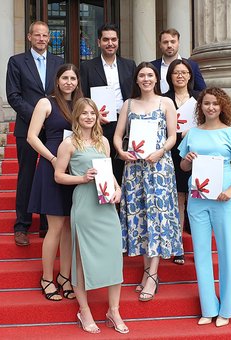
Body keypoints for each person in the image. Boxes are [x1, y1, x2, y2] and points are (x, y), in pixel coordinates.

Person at [54, 98, 128, 335]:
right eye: (84, 113)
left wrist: (117, 189)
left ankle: (113, 311)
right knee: (81, 259)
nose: (88, 117)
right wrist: (81, 178)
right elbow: (58, 176)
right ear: (76, 116)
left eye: (92, 113)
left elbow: (109, 172)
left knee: (114, 256)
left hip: (106, 205)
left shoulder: (103, 141)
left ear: (97, 117)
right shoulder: (68, 143)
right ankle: (84, 310)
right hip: (85, 203)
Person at [178, 87, 231, 327]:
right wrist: (186, 161)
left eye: (215, 104)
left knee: (227, 251)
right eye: (207, 103)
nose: (210, 107)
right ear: (201, 107)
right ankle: (208, 308)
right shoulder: (192, 133)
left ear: (222, 107)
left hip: (224, 199)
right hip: (198, 199)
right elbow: (184, 167)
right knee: (200, 253)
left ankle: (227, 309)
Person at [113, 62, 183, 302]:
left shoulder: (166, 103)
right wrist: (121, 153)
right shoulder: (128, 104)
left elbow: (173, 136)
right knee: (141, 217)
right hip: (134, 169)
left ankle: (152, 275)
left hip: (159, 167)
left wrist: (160, 151)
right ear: (137, 79)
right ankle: (146, 271)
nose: (146, 79)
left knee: (156, 217)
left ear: (156, 79)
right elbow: (117, 135)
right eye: (142, 75)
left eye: (150, 75)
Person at [26, 64, 83, 301]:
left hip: (74, 169)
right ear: (57, 80)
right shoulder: (46, 103)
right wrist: (51, 158)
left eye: (73, 78)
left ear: (77, 82)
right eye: (65, 78)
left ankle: (65, 277)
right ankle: (47, 278)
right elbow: (31, 136)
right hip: (51, 167)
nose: (69, 82)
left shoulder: (80, 105)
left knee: (70, 227)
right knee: (56, 227)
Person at [6, 21, 64, 246]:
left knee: (50, 173)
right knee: (27, 174)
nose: (41, 39)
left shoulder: (59, 63)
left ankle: (45, 224)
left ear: (49, 38)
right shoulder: (17, 62)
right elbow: (13, 96)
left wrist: (50, 119)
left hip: (53, 130)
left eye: (45, 35)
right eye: (37, 35)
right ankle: (22, 225)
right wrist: (37, 117)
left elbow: (63, 92)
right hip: (27, 127)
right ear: (29, 37)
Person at [80, 23, 136, 183]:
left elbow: (135, 94)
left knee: (123, 164)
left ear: (118, 41)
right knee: (102, 164)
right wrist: (94, 117)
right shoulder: (87, 67)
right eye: (106, 40)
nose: (110, 43)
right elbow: (83, 96)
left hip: (125, 123)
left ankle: (120, 204)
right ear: (99, 42)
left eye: (113, 39)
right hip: (99, 124)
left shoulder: (129, 65)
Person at [163, 59, 201, 266]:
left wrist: (192, 131)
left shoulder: (199, 97)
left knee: (195, 199)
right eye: (176, 72)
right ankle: (177, 246)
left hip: (195, 154)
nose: (180, 76)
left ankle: (199, 247)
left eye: (184, 72)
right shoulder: (164, 98)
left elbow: (207, 122)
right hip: (171, 152)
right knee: (177, 199)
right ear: (170, 76)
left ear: (189, 75)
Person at [151, 28, 206, 94]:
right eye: (165, 42)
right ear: (160, 44)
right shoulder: (152, 66)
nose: (169, 45)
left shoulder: (192, 66)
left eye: (173, 42)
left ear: (178, 43)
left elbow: (202, 92)